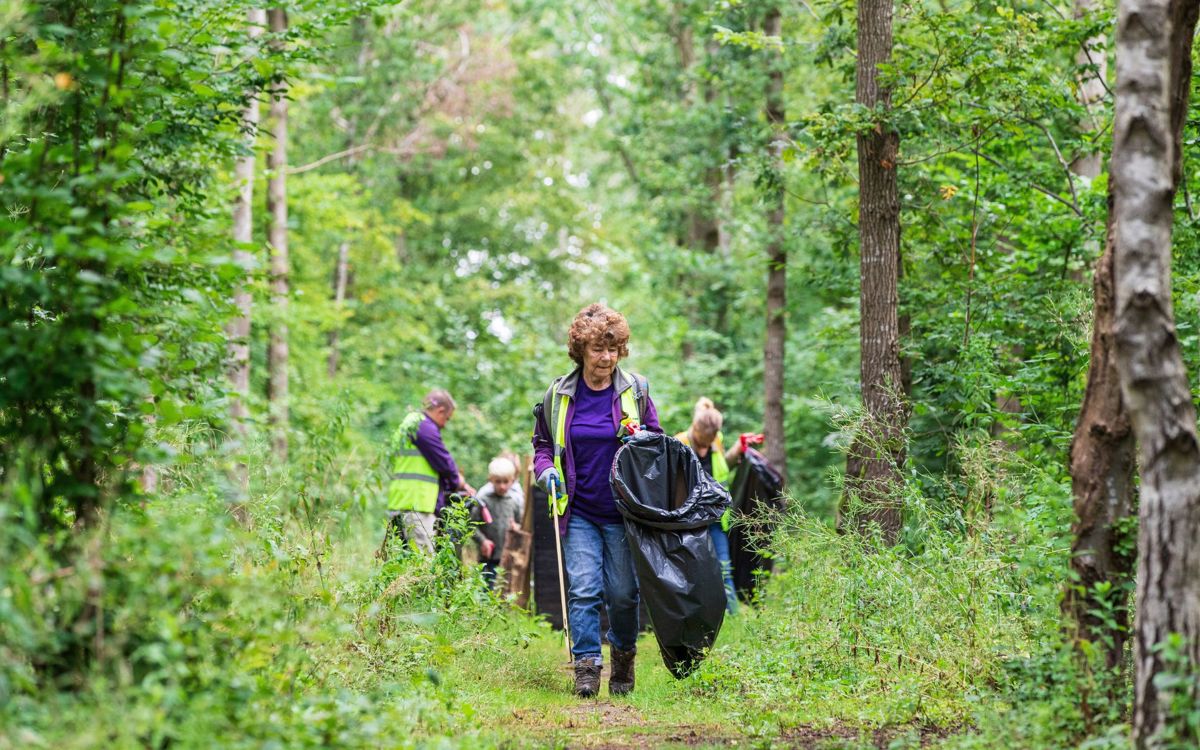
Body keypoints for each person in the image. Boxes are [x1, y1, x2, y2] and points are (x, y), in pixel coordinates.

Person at [532, 302, 662, 698]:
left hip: (624, 512)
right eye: (597, 349)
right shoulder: (559, 394)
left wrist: (640, 441)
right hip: (580, 511)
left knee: (623, 595)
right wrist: (546, 472)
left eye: (613, 348)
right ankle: (586, 666)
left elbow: (658, 442)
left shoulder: (634, 390)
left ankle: (623, 656)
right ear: (580, 350)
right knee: (584, 589)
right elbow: (541, 446)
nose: (606, 357)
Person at [675, 397, 756, 615]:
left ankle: (732, 616)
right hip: (689, 521)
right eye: (703, 442)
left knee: (723, 566)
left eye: (709, 442)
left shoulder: (716, 440)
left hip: (717, 519)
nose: (706, 446)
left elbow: (722, 468)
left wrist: (738, 449)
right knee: (691, 571)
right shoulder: (679, 443)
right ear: (695, 429)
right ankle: (697, 616)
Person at [383, 389, 476, 555]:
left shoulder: (410, 423)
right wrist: (460, 482)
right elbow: (443, 461)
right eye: (446, 418)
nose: (445, 424)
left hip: (402, 502)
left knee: (404, 563)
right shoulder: (422, 425)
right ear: (440, 410)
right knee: (423, 563)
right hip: (417, 507)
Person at [471, 457, 525, 589]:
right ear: (490, 480)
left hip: (508, 558)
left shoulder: (514, 501)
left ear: (512, 480)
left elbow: (521, 525)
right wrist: (483, 541)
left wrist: (517, 528)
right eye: (498, 482)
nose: (502, 486)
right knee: (487, 591)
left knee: (505, 592)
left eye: (506, 482)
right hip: (488, 558)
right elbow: (471, 525)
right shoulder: (483, 500)